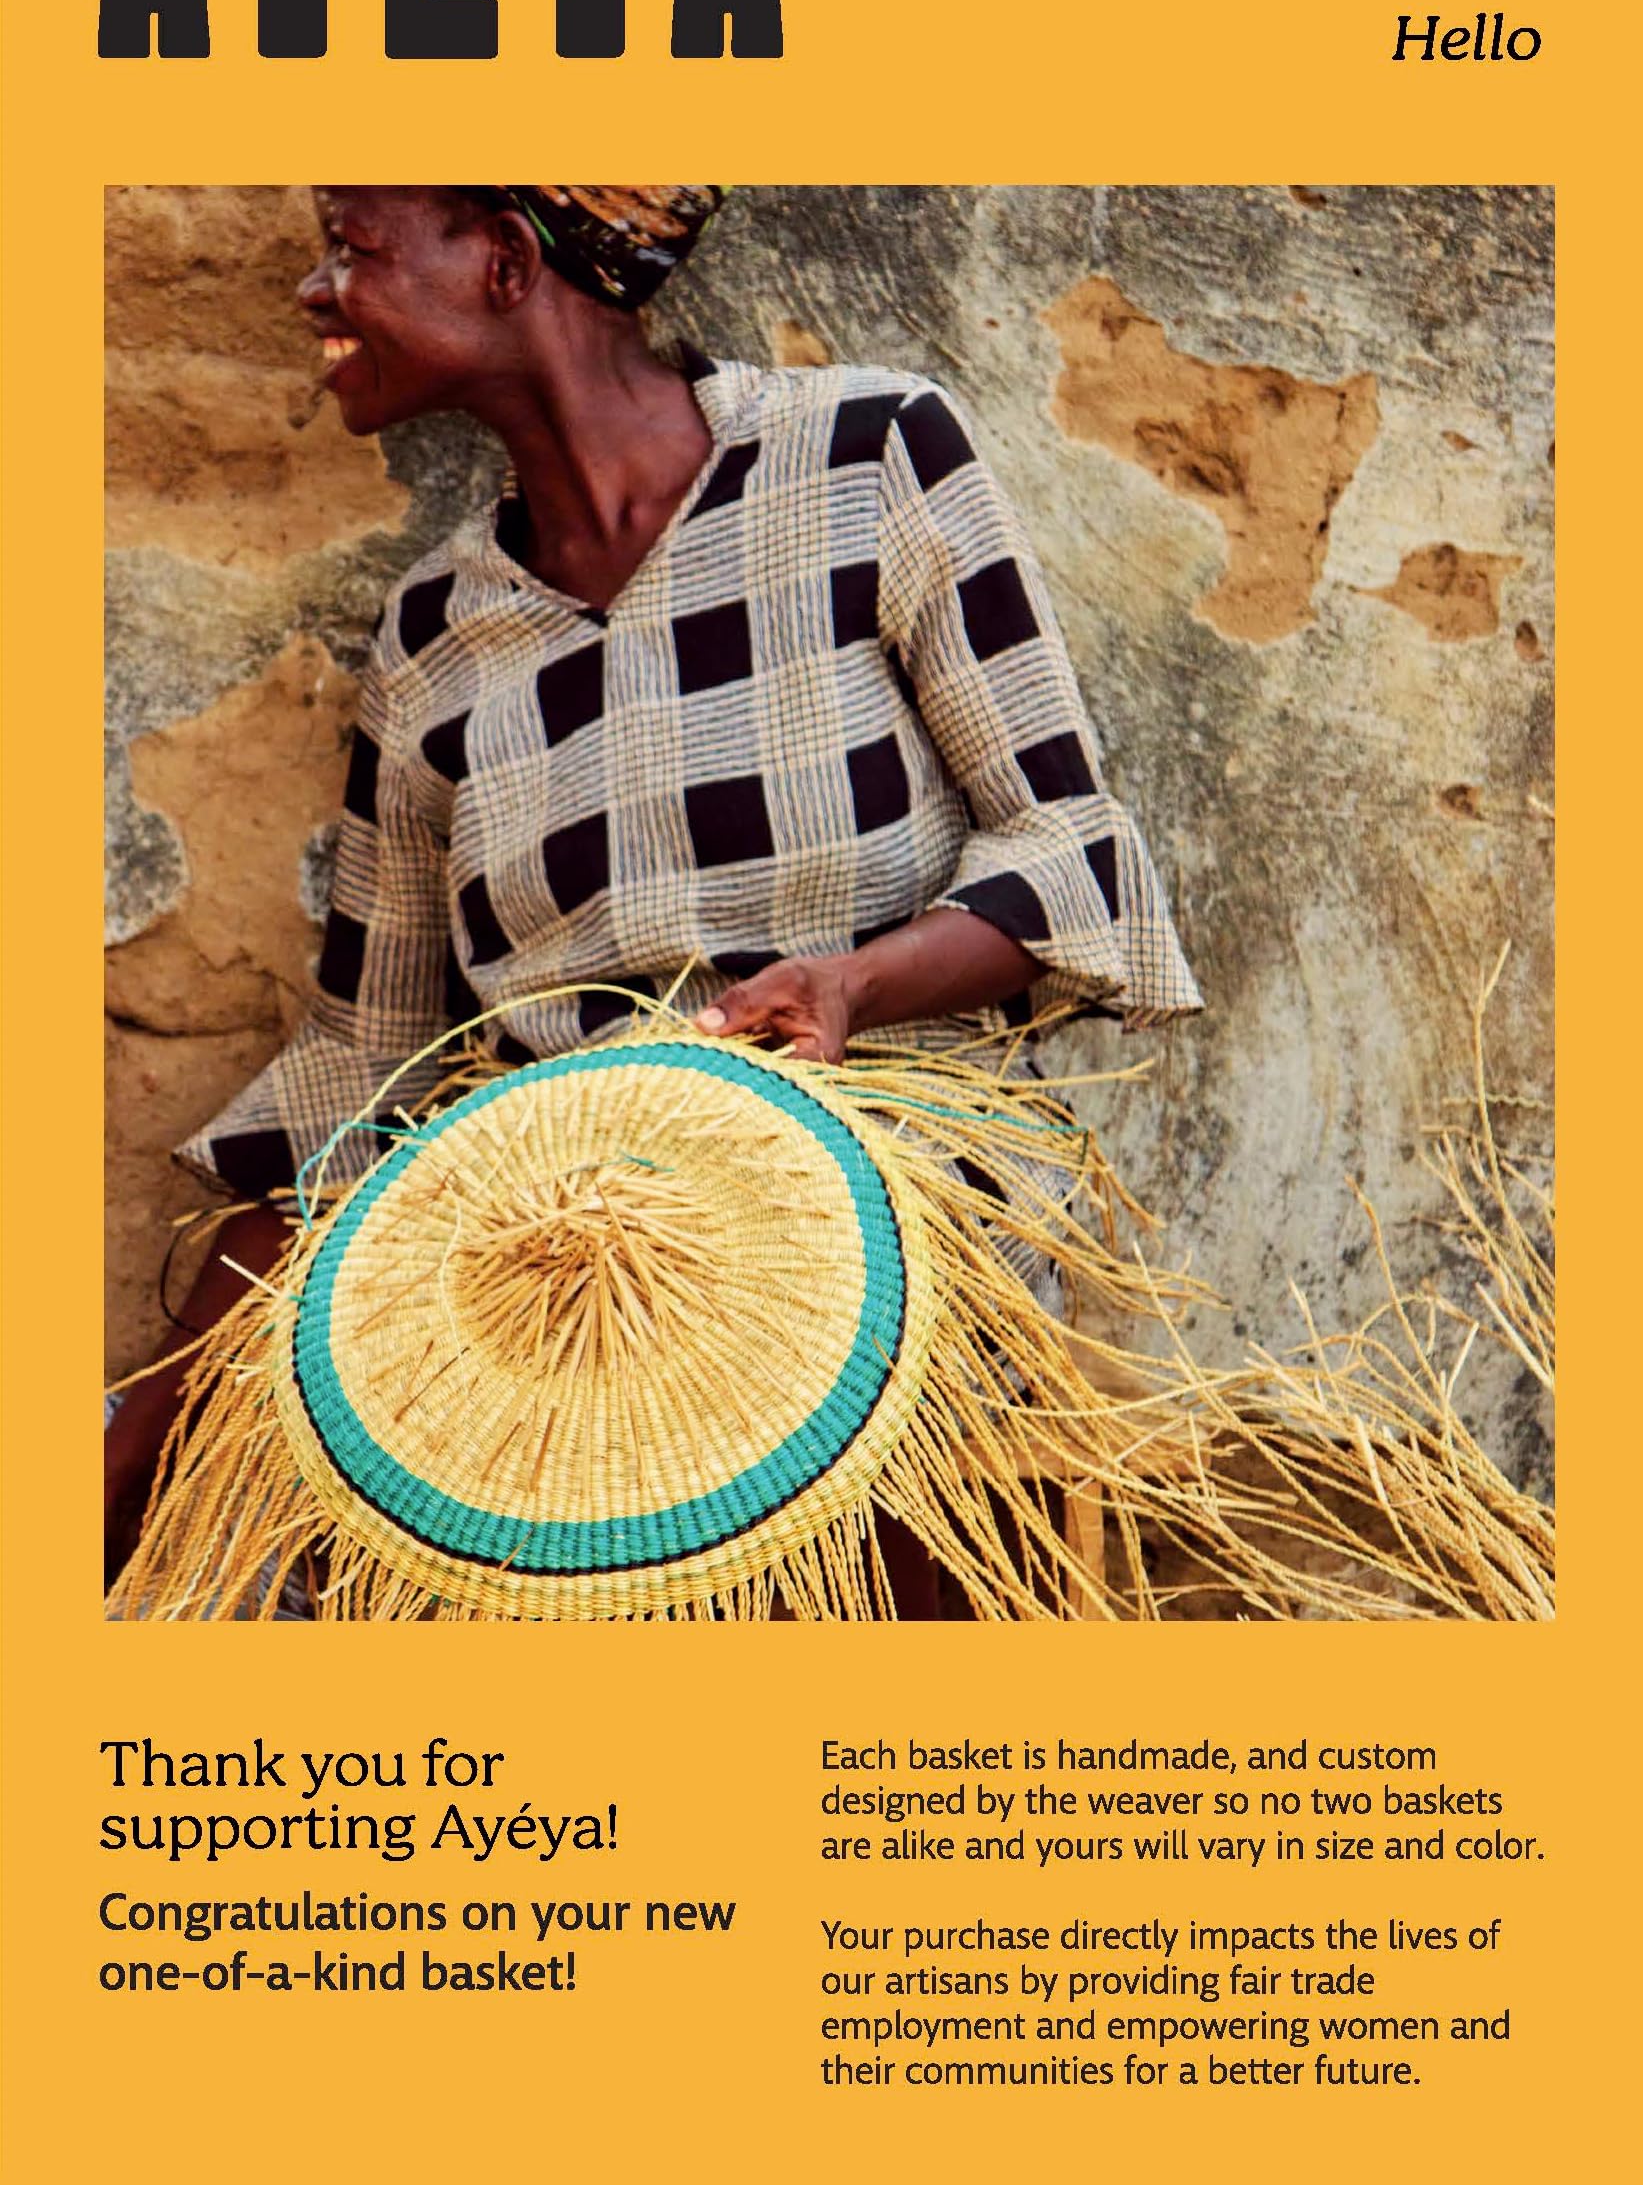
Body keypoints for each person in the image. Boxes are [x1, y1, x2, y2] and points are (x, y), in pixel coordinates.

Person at [104, 183, 1201, 1610]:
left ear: (503, 260)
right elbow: (364, 1068)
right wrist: (138, 1445)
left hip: (883, 1243)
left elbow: (1066, 842)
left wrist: (854, 982)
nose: (317, 292)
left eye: (354, 250)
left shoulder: (864, 456)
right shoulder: (435, 638)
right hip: (564, 1301)